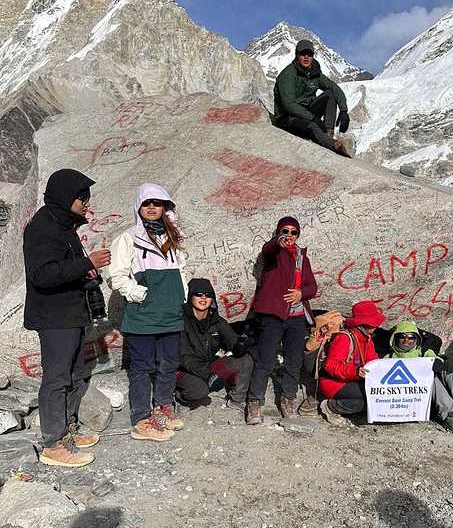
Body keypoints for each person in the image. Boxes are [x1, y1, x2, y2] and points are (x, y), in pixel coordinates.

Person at [23, 168, 111, 468]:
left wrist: (83, 268)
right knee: (57, 378)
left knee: (75, 374)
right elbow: (42, 275)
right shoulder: (43, 227)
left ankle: (68, 429)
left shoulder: (64, 225)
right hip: (54, 317)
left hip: (72, 313)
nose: (86, 203)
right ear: (64, 196)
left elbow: (63, 265)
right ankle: (53, 443)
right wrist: (87, 261)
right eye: (81, 197)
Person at [109, 184, 186, 442]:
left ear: (165, 207)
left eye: (157, 202)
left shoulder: (173, 237)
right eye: (147, 203)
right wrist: (137, 293)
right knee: (141, 368)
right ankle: (141, 419)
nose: (152, 207)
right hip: (143, 315)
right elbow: (116, 276)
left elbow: (182, 270)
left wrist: (182, 295)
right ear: (138, 207)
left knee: (168, 364)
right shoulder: (128, 237)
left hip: (171, 312)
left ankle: (163, 407)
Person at [246, 216, 317, 425]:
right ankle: (255, 403)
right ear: (278, 233)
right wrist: (277, 243)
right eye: (284, 231)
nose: (289, 236)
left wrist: (301, 293)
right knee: (266, 360)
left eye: (293, 232)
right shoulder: (272, 252)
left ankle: (288, 400)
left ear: (298, 235)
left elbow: (312, 286)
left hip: (296, 317)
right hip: (273, 316)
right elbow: (268, 250)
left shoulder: (302, 257)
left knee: (293, 362)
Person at [387, 320, 453, 438]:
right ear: (395, 338)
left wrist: (436, 361)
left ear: (416, 339)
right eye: (402, 337)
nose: (406, 341)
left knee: (450, 365)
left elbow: (432, 356)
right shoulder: (388, 358)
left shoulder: (423, 351)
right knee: (428, 375)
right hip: (413, 397)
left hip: (429, 393)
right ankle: (449, 415)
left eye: (411, 337)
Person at [176, 278, 254, 416]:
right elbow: (183, 357)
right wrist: (209, 375)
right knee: (200, 391)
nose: (203, 298)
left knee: (245, 360)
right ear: (190, 297)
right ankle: (179, 396)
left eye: (208, 295)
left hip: (207, 366)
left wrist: (240, 345)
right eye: (198, 294)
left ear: (212, 299)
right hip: (184, 369)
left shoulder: (216, 320)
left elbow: (232, 340)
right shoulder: (180, 320)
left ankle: (236, 400)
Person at [272, 39, 354, 157]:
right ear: (297, 55)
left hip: (306, 111)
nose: (306, 57)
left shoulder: (314, 73)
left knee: (330, 94)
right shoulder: (288, 74)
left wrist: (344, 110)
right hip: (286, 117)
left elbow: (334, 88)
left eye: (309, 54)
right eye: (303, 54)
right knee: (312, 126)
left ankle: (328, 133)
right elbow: (288, 105)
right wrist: (313, 118)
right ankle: (333, 145)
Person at [318, 300, 386, 426]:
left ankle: (351, 407)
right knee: (363, 400)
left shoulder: (367, 338)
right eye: (374, 322)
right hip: (334, 383)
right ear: (363, 324)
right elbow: (330, 365)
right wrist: (355, 371)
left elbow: (372, 360)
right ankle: (330, 406)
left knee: (375, 397)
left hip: (353, 379)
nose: (377, 325)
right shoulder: (344, 338)